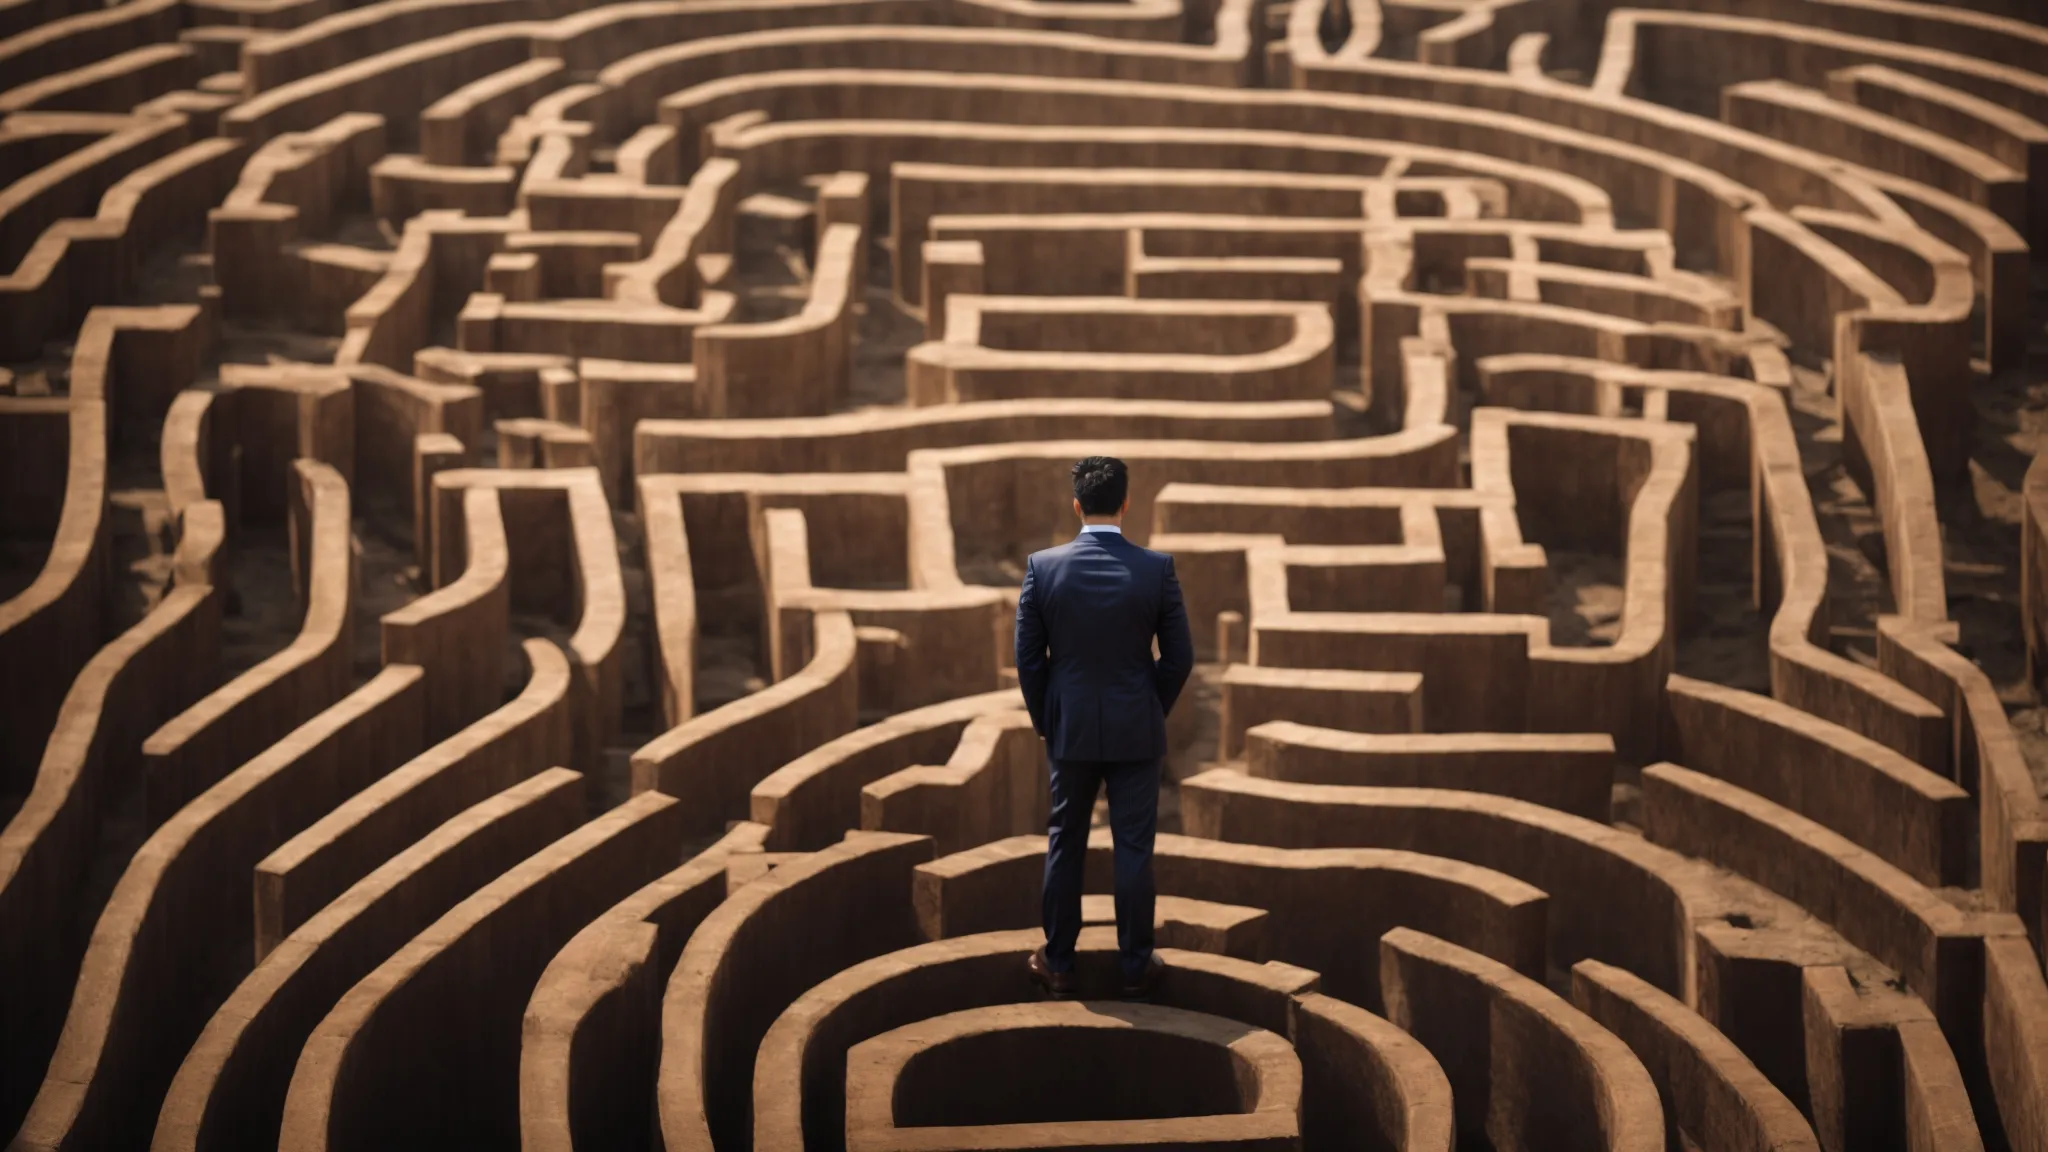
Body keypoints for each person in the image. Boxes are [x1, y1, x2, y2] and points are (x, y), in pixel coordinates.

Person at [1013, 456, 1194, 1000]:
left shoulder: (1042, 568)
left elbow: (1028, 659)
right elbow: (1180, 658)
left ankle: (1060, 963)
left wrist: (1049, 717)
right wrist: (1147, 705)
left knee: (1065, 841)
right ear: (1125, 503)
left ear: (1076, 505)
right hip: (1136, 728)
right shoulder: (1155, 568)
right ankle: (1135, 966)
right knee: (1133, 847)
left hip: (1071, 730)